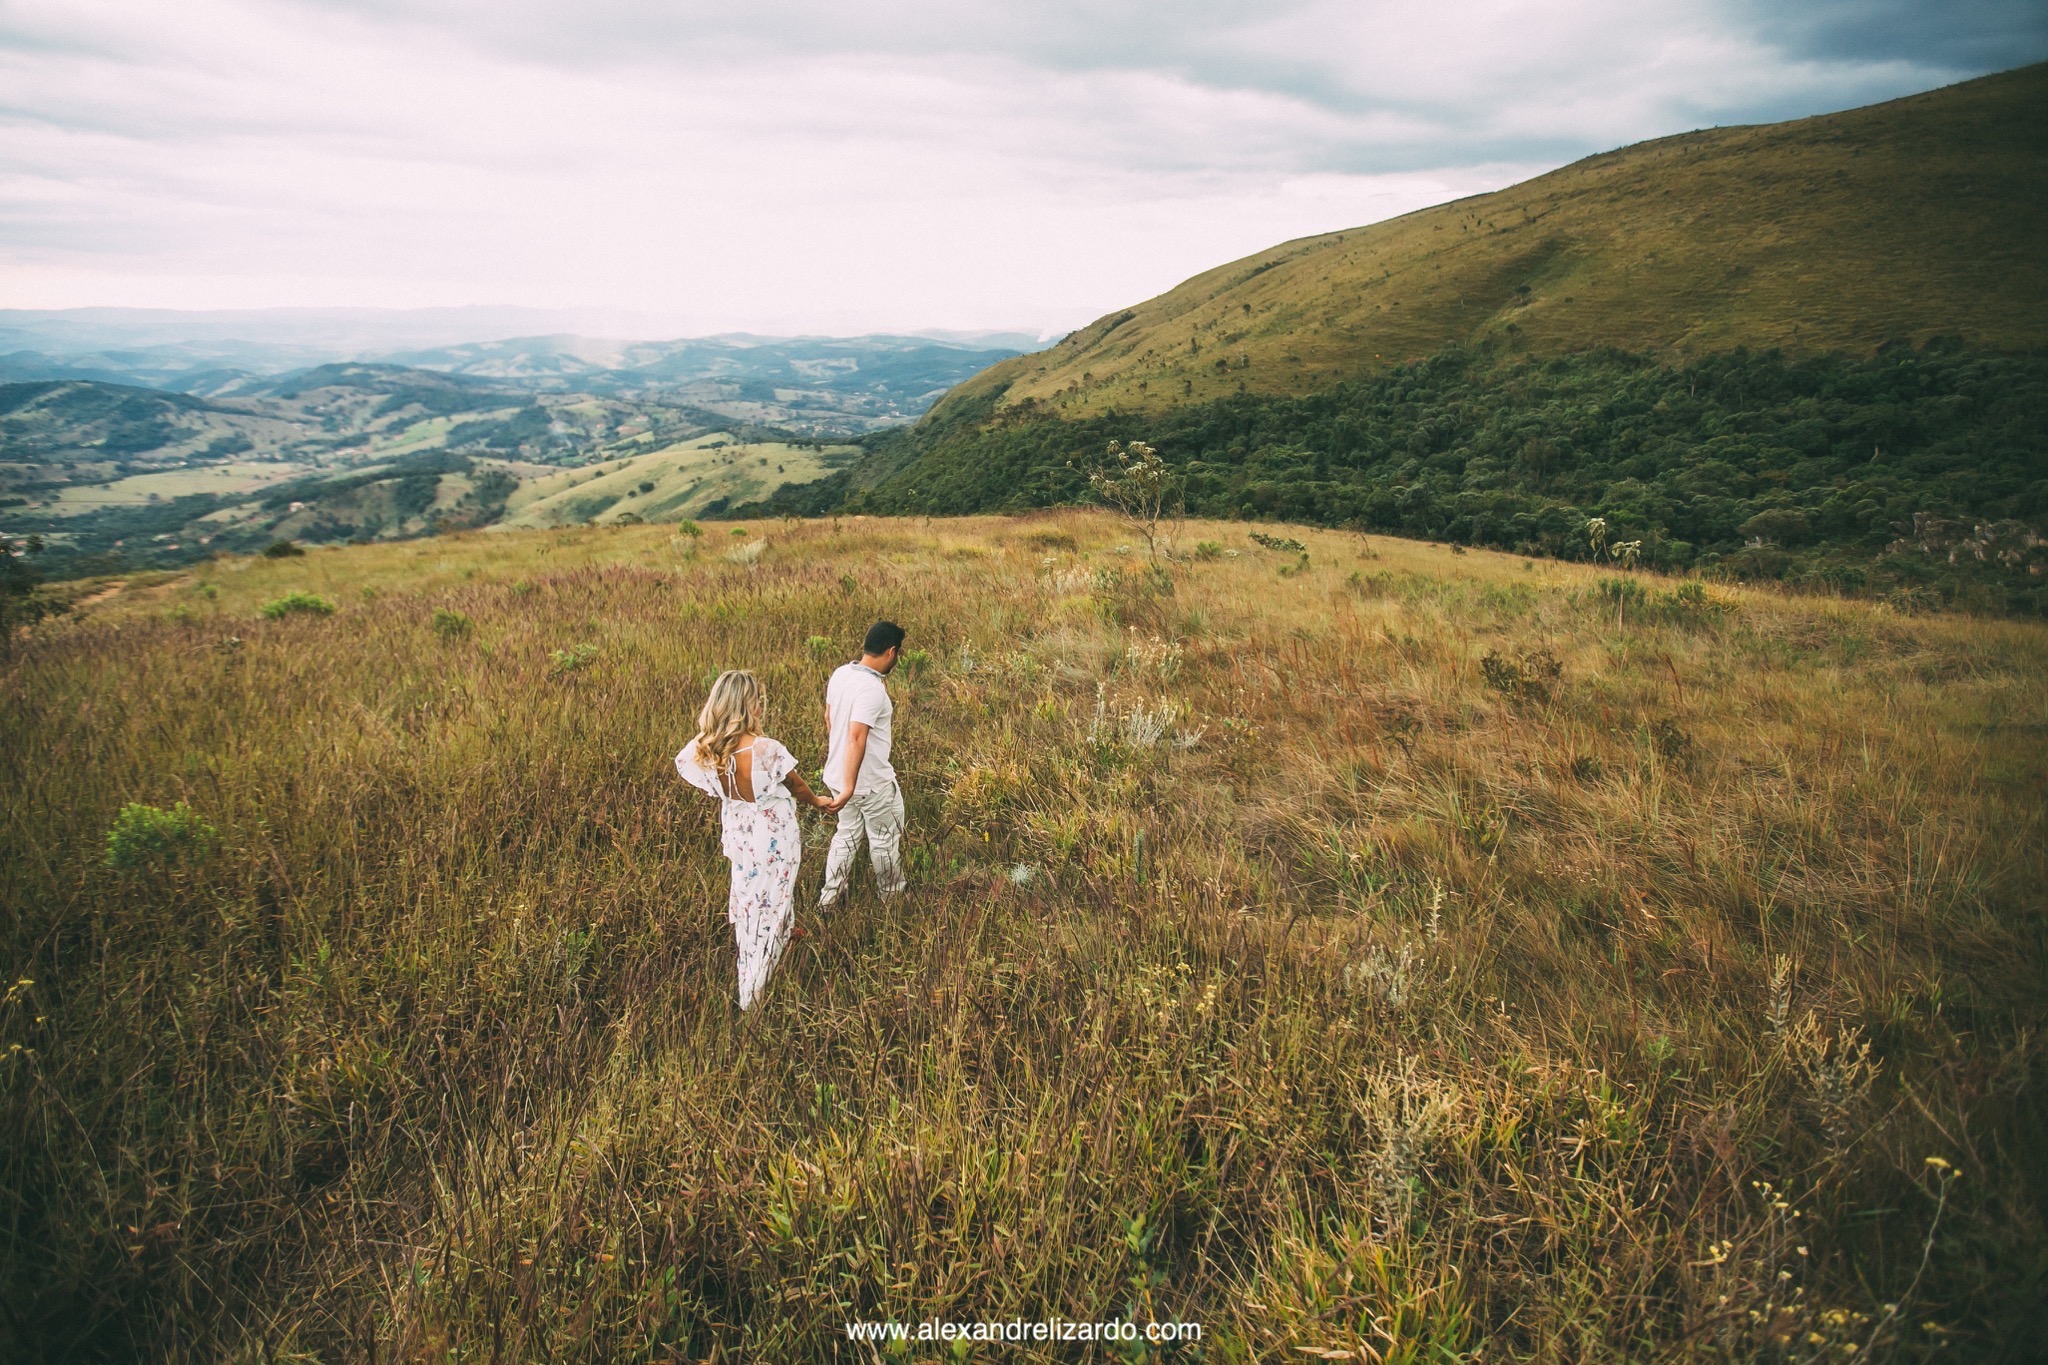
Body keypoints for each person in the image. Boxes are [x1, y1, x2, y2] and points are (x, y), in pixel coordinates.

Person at [675, 670, 829, 1010]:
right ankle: (754, 992)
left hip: (740, 834)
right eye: (756, 700)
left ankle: (764, 955)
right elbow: (796, 785)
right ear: (746, 705)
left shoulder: (705, 748)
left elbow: (687, 764)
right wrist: (818, 801)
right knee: (773, 902)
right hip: (773, 836)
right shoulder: (765, 749)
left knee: (750, 901)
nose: (761, 706)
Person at [818, 620, 907, 909]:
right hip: (869, 784)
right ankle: (891, 899)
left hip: (837, 777)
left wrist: (843, 779)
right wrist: (850, 786)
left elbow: (829, 718)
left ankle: (830, 898)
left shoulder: (841, 674)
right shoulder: (872, 689)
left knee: (845, 835)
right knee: (883, 840)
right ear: (891, 652)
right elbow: (857, 736)